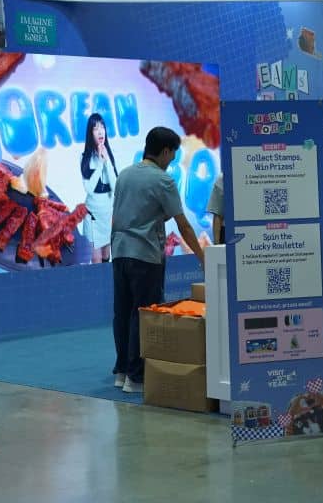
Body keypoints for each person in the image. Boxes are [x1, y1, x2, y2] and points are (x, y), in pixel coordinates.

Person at [110, 126, 204, 394]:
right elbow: (184, 225)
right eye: (172, 154)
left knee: (122, 313)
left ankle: (122, 371)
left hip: (120, 253)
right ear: (164, 151)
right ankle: (137, 377)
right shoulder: (163, 180)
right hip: (145, 255)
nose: (172, 160)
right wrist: (202, 257)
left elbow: (122, 215)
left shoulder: (124, 175)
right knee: (143, 314)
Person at [80, 113, 119, 264]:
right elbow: (89, 188)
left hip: (107, 216)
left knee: (105, 257)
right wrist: (100, 164)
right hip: (92, 217)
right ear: (90, 133)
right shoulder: (85, 157)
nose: (100, 131)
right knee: (96, 260)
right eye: (96, 128)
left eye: (102, 127)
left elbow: (116, 187)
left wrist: (107, 161)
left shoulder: (111, 155)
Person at [206, 174, 224, 245]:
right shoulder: (222, 179)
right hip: (227, 232)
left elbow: (217, 215)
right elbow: (217, 214)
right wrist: (217, 245)